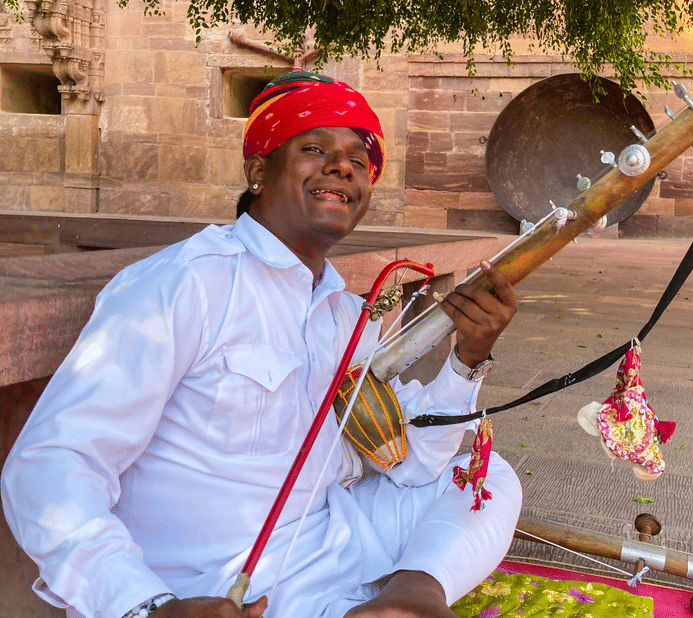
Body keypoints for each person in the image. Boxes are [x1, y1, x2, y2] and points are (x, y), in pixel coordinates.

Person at [1, 71, 521, 618]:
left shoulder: (346, 315)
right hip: (209, 592)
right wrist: (146, 606)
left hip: (331, 551)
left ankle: (409, 598)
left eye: (359, 162)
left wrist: (467, 359)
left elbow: (410, 464)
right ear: (257, 170)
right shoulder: (184, 284)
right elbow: (52, 463)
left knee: (488, 477)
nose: (343, 167)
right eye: (315, 148)